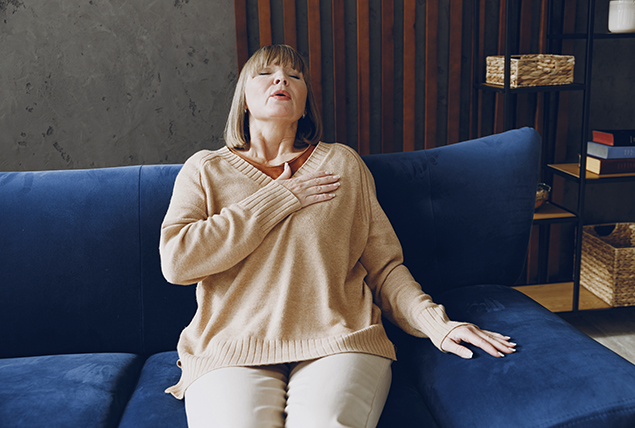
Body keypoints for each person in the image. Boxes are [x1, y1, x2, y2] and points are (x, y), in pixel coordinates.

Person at [160, 44, 516, 428]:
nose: (282, 79)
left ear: (304, 102)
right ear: (243, 97)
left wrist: (438, 325)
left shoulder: (342, 163)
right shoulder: (205, 169)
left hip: (339, 340)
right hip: (231, 349)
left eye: (295, 76)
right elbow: (178, 261)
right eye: (266, 73)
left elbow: (384, 268)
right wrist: (277, 199)